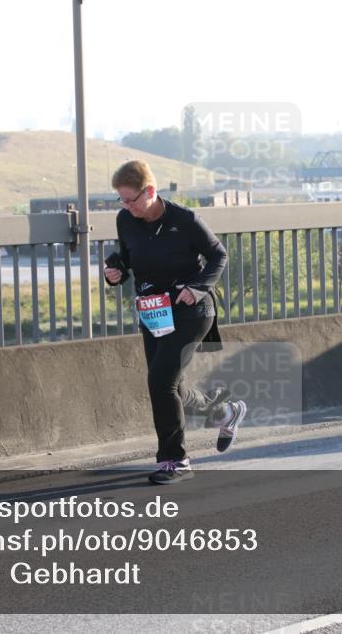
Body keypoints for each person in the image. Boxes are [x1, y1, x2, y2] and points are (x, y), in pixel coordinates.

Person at [103, 160, 248, 484]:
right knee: (173, 385)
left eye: (131, 199)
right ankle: (225, 412)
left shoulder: (185, 220)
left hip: (191, 311)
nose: (127, 206)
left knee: (160, 383)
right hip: (154, 311)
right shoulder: (126, 219)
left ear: (150, 191)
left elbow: (218, 255)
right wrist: (115, 271)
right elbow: (127, 256)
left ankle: (175, 460)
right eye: (122, 200)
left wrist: (197, 289)